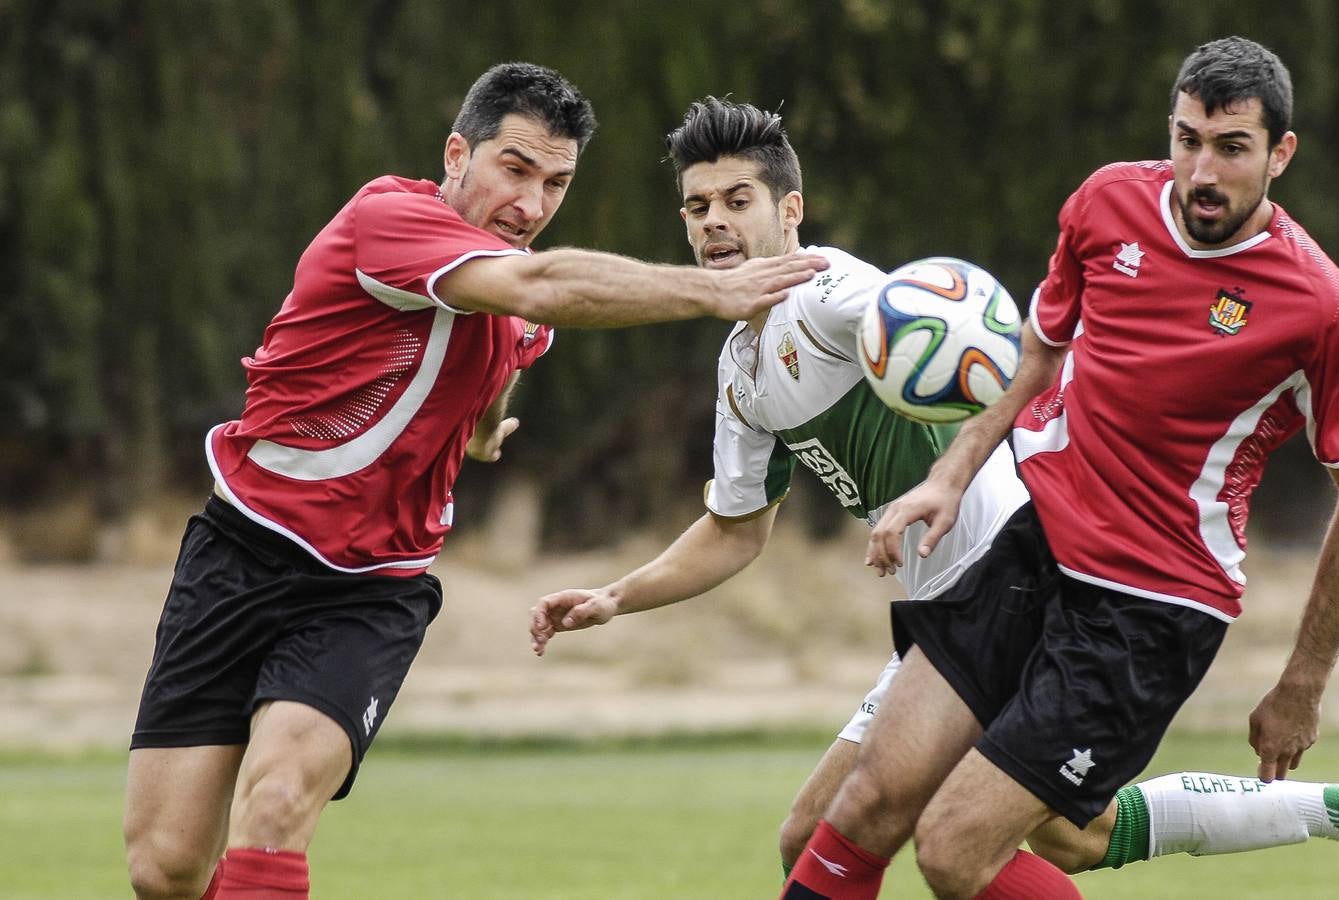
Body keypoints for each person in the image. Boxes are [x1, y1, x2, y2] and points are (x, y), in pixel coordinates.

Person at [527, 97, 1339, 899]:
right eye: (697, 207)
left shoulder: (835, 292)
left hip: (1016, 561)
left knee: (910, 840)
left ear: (789, 211)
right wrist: (618, 595)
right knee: (1051, 836)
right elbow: (734, 531)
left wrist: (959, 429)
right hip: (946, 594)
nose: (715, 224)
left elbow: (930, 314)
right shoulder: (741, 369)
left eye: (738, 201)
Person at [121, 63, 827, 900]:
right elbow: (537, 288)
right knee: (166, 869)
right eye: (515, 170)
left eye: (556, 183)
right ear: (458, 153)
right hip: (238, 552)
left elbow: (508, 348)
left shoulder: (511, 294)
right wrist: (715, 292)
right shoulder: (390, 219)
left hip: (369, 592)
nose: (531, 205)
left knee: (275, 802)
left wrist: (484, 430)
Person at [780, 35, 1339, 900]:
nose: (1201, 172)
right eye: (1186, 139)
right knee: (864, 805)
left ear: (1280, 154)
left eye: (1231, 148)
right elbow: (1036, 355)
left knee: (953, 851)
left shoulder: (1324, 311)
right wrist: (947, 477)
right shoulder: (1104, 205)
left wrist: (1302, 681)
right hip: (1031, 552)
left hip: (1146, 611)